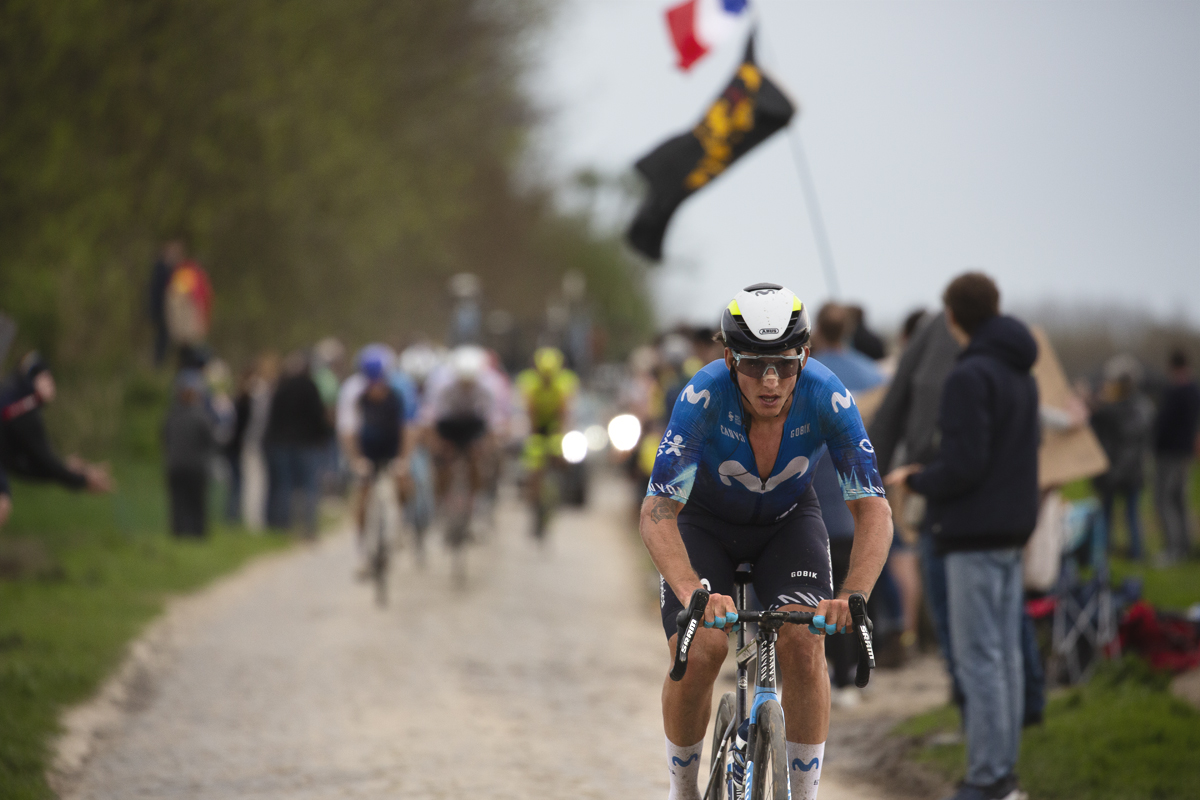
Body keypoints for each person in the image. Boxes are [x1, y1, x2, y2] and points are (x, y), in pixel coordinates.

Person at [642, 283, 892, 800]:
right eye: (755, 365)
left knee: (804, 644)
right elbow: (658, 510)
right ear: (730, 358)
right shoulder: (702, 396)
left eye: (785, 362)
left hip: (787, 523)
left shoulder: (828, 395)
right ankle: (683, 790)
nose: (772, 380)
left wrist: (854, 594)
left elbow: (873, 508)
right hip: (705, 524)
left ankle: (803, 794)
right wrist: (691, 587)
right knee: (704, 648)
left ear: (804, 355)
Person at [886, 272, 1039, 800]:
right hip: (1011, 531)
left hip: (971, 533)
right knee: (1004, 656)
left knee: (979, 658)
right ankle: (1004, 772)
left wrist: (916, 478)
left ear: (951, 317)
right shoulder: (1022, 371)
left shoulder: (968, 375)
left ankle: (987, 779)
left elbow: (964, 464)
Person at [868, 308, 963, 701]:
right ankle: (911, 635)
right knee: (911, 565)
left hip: (905, 481)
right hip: (918, 482)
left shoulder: (910, 371)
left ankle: (905, 634)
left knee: (901, 560)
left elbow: (890, 417)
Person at [807, 302, 890, 705]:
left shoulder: (810, 375)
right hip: (860, 493)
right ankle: (854, 677)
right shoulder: (873, 374)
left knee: (817, 591)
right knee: (854, 591)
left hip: (817, 497)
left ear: (818, 332)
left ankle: (826, 676)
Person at [0, 353, 113, 498]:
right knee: (2, 501)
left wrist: (66, 469)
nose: (52, 384)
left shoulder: (16, 407)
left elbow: (27, 466)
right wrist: (82, 479)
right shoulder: (25, 414)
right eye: (46, 378)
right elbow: (45, 463)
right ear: (31, 382)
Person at [337, 345, 407, 570]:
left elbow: (408, 428)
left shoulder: (400, 390)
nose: (376, 386)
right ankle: (362, 550)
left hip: (391, 445)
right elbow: (348, 430)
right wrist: (356, 460)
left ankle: (400, 526)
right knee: (363, 493)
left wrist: (403, 459)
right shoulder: (352, 392)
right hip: (366, 447)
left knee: (404, 483)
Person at [1089, 355, 1152, 559]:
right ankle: (1109, 549)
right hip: (1122, 469)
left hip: (1121, 470)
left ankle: (1132, 551)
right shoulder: (1137, 407)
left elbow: (1129, 442)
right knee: (1114, 513)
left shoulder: (1125, 408)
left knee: (1127, 514)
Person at [264, 351, 333, 536]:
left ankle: (281, 527)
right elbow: (319, 417)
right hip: (306, 444)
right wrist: (323, 438)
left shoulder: (282, 387)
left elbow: (272, 417)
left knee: (283, 485)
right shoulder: (311, 388)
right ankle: (309, 527)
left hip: (281, 443)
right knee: (309, 485)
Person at [515, 347, 579, 514]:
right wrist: (533, 431)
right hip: (536, 425)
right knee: (533, 458)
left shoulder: (565, 381)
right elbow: (530, 410)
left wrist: (561, 432)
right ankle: (532, 494)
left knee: (560, 453)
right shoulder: (529, 381)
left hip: (555, 425)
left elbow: (564, 411)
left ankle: (559, 487)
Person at [1154, 349, 1200, 563]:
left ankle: (1174, 549)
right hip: (1184, 453)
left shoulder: (1177, 391)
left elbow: (1165, 423)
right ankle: (1183, 547)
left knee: (1165, 500)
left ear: (1173, 367)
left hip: (1170, 454)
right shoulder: (1193, 390)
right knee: (1179, 500)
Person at [163, 374, 216, 537]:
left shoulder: (170, 416)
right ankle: (197, 535)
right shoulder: (201, 416)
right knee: (197, 502)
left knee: (178, 503)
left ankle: (179, 534)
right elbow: (210, 440)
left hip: (175, 465)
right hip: (196, 466)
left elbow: (164, 438)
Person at [148, 240, 185, 366]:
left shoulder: (170, 270)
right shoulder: (161, 269)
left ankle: (163, 364)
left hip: (169, 310)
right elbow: (158, 292)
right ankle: (159, 364)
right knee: (163, 338)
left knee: (168, 338)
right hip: (162, 310)